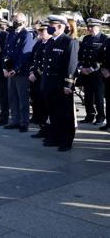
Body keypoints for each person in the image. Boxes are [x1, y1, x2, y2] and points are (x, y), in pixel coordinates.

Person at [41, 15, 79, 151]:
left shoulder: (69, 42)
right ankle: (55, 137)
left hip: (61, 86)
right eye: (49, 24)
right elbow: (47, 65)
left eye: (53, 25)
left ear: (61, 26)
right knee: (53, 113)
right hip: (49, 84)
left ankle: (66, 141)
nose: (49, 27)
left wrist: (68, 85)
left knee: (65, 115)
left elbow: (71, 66)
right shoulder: (50, 42)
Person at [3, 13, 34, 132]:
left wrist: (15, 69)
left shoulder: (27, 35)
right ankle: (15, 120)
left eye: (18, 21)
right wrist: (4, 68)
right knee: (13, 98)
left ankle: (24, 122)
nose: (16, 22)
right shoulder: (11, 34)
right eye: (14, 20)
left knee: (22, 99)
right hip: (10, 71)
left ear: (25, 22)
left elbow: (25, 55)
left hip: (21, 73)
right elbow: (6, 52)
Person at [77, 18, 108, 125]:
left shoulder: (104, 39)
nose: (89, 29)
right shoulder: (86, 38)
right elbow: (80, 55)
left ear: (99, 27)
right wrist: (81, 67)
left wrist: (91, 69)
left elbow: (104, 58)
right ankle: (89, 115)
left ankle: (100, 117)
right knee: (88, 97)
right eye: (88, 27)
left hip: (97, 74)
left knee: (99, 97)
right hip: (85, 73)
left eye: (92, 27)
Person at [29, 21, 51, 138]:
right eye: (40, 31)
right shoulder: (39, 44)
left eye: (43, 31)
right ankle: (42, 128)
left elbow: (46, 64)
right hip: (36, 79)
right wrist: (32, 71)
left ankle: (47, 129)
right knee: (38, 104)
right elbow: (33, 60)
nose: (40, 33)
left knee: (46, 106)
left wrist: (36, 74)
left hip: (44, 79)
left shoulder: (50, 44)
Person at [98, 37, 110, 131]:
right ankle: (108, 123)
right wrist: (102, 68)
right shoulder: (107, 40)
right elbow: (101, 56)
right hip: (106, 75)